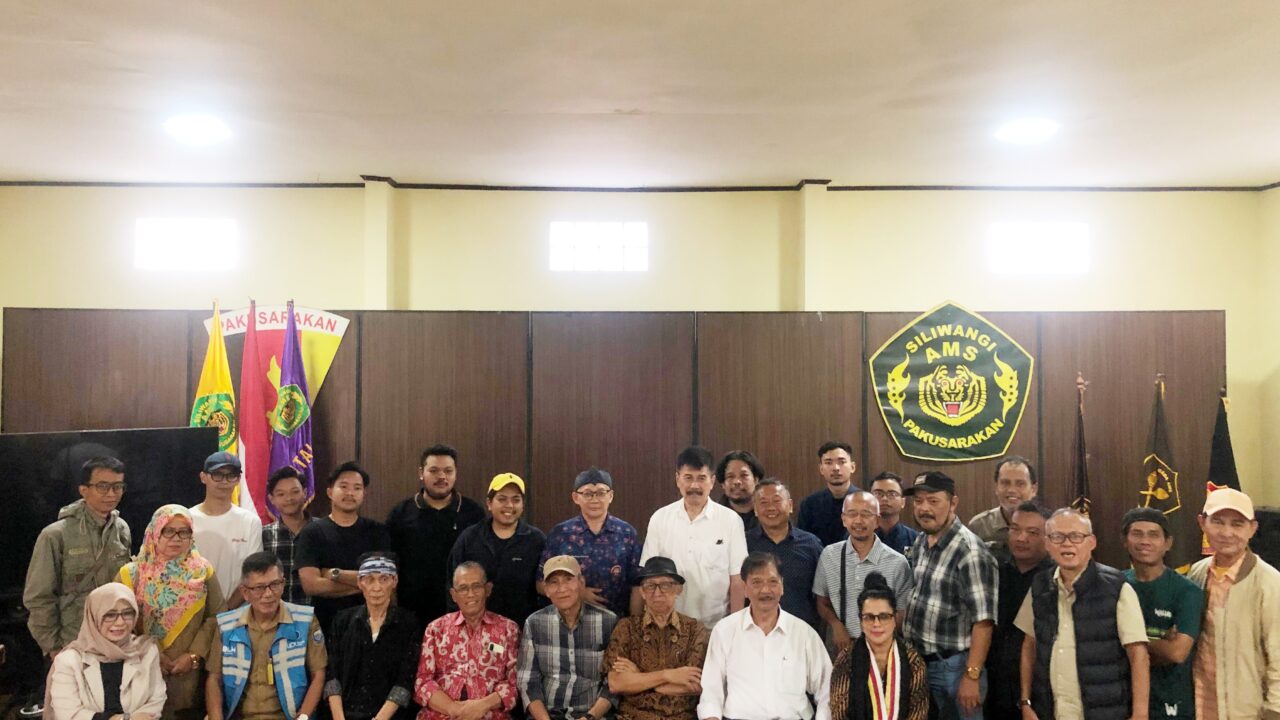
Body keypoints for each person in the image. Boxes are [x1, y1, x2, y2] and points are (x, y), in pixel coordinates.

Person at [1015, 508, 1150, 720]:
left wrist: (1140, 713)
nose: (1067, 544)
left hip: (1104, 712)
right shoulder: (1040, 585)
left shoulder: (1116, 587)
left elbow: (1138, 654)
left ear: (1092, 542)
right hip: (1049, 711)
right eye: (1057, 537)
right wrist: (1025, 701)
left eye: (1076, 536)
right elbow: (1029, 645)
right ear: (1047, 543)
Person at [901, 471, 998, 720]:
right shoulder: (921, 541)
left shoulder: (970, 552)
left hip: (955, 668)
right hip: (920, 664)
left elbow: (984, 622)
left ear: (953, 503)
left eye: (933, 501)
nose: (924, 508)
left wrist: (971, 676)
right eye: (918, 501)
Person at [116, 504, 226, 720]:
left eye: (184, 532)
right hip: (140, 666)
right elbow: (115, 622)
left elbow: (217, 615)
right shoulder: (131, 574)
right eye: (168, 531)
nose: (177, 538)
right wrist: (151, 652)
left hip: (190, 671)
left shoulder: (203, 571)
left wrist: (193, 655)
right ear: (155, 532)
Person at [697, 552, 832, 720]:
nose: (765, 590)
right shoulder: (724, 631)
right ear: (745, 589)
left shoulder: (804, 634)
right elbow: (711, 693)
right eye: (757, 582)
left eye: (773, 582)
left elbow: (827, 691)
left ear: (782, 586)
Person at [25, 457, 133, 659]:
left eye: (118, 486)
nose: (112, 494)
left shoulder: (121, 530)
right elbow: (39, 597)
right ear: (83, 489)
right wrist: (53, 648)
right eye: (103, 486)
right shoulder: (56, 535)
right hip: (73, 642)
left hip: (115, 640)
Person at [1187, 488, 1280, 719]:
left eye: (1237, 524)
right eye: (1218, 522)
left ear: (1252, 528)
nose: (1227, 532)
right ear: (1202, 523)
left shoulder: (1269, 583)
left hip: (1248, 710)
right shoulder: (1197, 573)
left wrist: (1275, 711)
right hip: (1200, 702)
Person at [205, 552, 326, 720]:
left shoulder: (305, 620)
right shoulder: (226, 625)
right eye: (259, 588)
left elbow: (318, 674)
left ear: (283, 584)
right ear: (245, 592)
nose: (268, 594)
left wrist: (304, 716)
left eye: (274, 584)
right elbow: (214, 679)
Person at [640, 446, 747, 628]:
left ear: (712, 481)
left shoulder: (731, 520)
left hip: (715, 628)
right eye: (688, 478)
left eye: (701, 478)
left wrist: (735, 628)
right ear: (677, 479)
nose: (694, 486)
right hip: (669, 627)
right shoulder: (660, 518)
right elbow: (648, 576)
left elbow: (737, 580)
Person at [386, 444, 485, 625]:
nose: (441, 477)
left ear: (456, 473)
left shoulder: (473, 513)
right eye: (434, 471)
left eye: (448, 471)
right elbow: (390, 564)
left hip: (461, 612)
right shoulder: (400, 514)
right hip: (410, 612)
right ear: (421, 473)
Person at [1120, 506, 1202, 720]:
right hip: (1122, 696)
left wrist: (1129, 644)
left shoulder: (1187, 591)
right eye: (1137, 534)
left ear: (1168, 543)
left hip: (1170, 698)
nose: (1145, 541)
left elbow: (1177, 652)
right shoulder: (1114, 585)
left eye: (1153, 535)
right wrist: (1160, 643)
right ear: (1125, 540)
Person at [604, 556, 709, 720]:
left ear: (678, 589)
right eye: (650, 586)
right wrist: (668, 675)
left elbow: (695, 685)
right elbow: (616, 683)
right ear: (642, 592)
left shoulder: (695, 630)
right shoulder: (626, 627)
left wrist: (638, 676)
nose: (657, 593)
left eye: (666, 585)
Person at [414, 561, 521, 720]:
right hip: (441, 715)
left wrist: (481, 706)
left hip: (489, 715)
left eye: (476, 586)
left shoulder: (509, 630)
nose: (470, 594)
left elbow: (514, 685)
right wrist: (454, 709)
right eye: (463, 588)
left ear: (488, 589)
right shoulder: (436, 629)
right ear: (453, 594)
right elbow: (423, 682)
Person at [296, 460, 392, 633]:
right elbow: (311, 585)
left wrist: (335, 574)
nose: (350, 493)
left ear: (364, 494)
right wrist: (367, 583)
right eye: (344, 486)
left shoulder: (377, 531)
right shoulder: (312, 532)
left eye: (357, 488)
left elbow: (386, 580)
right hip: (326, 626)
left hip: (371, 625)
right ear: (330, 492)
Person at [46, 583, 166, 720]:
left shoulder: (146, 651)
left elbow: (156, 701)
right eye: (110, 615)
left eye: (127, 613)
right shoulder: (69, 660)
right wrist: (124, 719)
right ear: (94, 616)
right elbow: (68, 714)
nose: (120, 622)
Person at [517, 555, 617, 720]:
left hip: (593, 716)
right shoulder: (534, 623)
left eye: (568, 579)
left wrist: (589, 717)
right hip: (547, 715)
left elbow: (613, 683)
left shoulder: (608, 621)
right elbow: (528, 682)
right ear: (546, 590)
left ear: (581, 583)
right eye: (554, 582)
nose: (562, 588)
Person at [324, 553, 421, 720]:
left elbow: (405, 680)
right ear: (360, 583)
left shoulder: (408, 623)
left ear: (394, 581)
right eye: (369, 579)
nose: (377, 588)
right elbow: (332, 674)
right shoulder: (342, 621)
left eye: (384, 579)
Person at [540, 467, 643, 618]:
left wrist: (634, 624)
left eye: (601, 493)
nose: (595, 500)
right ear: (576, 497)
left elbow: (637, 584)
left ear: (611, 496)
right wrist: (577, 592)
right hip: (570, 621)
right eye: (588, 494)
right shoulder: (561, 534)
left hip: (618, 622)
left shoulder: (627, 533)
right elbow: (540, 583)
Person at [815, 491, 913, 649]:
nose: (858, 520)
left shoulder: (898, 563)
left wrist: (877, 637)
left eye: (866, 514)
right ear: (844, 519)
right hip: (841, 647)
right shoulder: (829, 555)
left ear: (877, 520)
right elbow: (822, 603)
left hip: (882, 648)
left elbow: (901, 613)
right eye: (852, 514)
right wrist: (835, 625)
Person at [447, 473, 547, 627]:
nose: (509, 505)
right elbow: (452, 583)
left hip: (523, 630)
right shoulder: (470, 538)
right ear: (489, 503)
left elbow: (545, 589)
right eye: (502, 499)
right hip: (475, 629)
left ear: (523, 505)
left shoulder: (536, 540)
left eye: (516, 500)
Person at [829, 572, 930, 720]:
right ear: (860, 621)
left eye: (883, 616)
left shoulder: (913, 660)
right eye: (869, 617)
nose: (876, 624)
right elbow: (839, 714)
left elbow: (918, 714)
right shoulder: (846, 659)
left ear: (894, 619)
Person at [984, 502, 1052, 720]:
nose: (1021, 538)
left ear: (1048, 537)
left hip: (1039, 690)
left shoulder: (1055, 579)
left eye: (1032, 532)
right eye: (1015, 529)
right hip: (992, 685)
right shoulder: (993, 570)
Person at [745, 479, 824, 631]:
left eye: (777, 501)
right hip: (755, 631)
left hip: (803, 631)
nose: (771, 508)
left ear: (790, 505)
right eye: (763, 503)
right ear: (755, 509)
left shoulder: (811, 544)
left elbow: (822, 594)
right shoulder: (744, 543)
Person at [190, 452, 264, 607]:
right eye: (217, 475)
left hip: (236, 611)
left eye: (231, 476)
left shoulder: (250, 521)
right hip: (190, 610)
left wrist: (226, 610)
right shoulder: (187, 519)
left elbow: (253, 572)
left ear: (238, 479)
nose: (224, 481)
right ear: (203, 477)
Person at [262, 466, 315, 605]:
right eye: (281, 494)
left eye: (295, 492)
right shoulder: (264, 535)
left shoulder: (322, 529)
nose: (289, 498)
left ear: (305, 493)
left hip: (319, 613)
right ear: (271, 499)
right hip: (277, 613)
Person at [967, 457, 1037, 556]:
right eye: (1005, 483)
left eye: (1020, 484)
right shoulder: (979, 526)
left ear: (1033, 490)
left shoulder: (1046, 525)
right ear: (996, 487)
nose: (1012, 490)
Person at [798, 442, 860, 547]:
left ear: (852, 467)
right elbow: (804, 542)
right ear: (821, 469)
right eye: (828, 463)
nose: (835, 468)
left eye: (841, 462)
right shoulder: (810, 504)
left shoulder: (867, 502)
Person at [870, 472, 919, 556]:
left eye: (892, 494)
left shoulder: (915, 539)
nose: (884, 498)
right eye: (878, 493)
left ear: (903, 502)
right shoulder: (858, 536)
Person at [715, 450, 763, 532]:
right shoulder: (713, 517)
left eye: (744, 475)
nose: (737, 482)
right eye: (730, 476)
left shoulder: (768, 515)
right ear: (723, 484)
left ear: (756, 480)